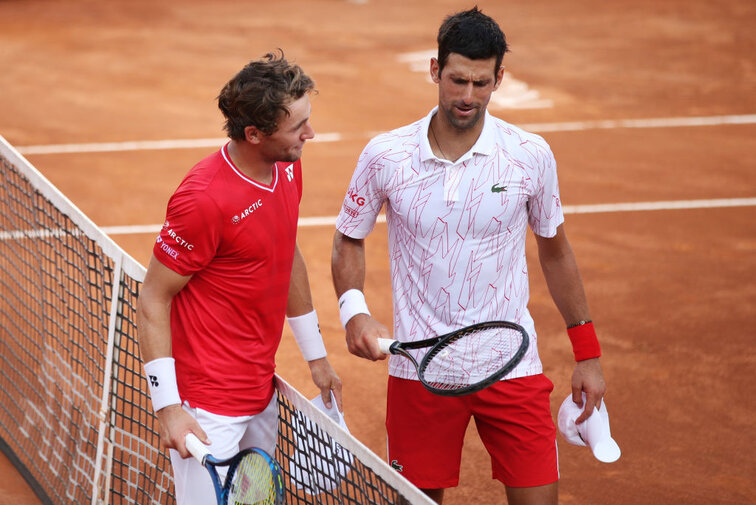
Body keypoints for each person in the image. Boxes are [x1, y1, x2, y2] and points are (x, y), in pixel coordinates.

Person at [331, 7, 606, 505]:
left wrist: (587, 353)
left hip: (511, 362)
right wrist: (354, 312)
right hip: (420, 370)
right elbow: (349, 236)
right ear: (435, 70)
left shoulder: (529, 155)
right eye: (457, 80)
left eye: (481, 83)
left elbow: (556, 252)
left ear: (499, 79)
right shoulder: (386, 155)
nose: (467, 96)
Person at [136, 52, 342, 505]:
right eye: (298, 126)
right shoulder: (204, 200)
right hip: (207, 407)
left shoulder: (288, 164)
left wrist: (316, 357)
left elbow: (286, 251)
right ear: (254, 134)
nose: (310, 133)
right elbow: (153, 298)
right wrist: (168, 408)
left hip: (260, 390)